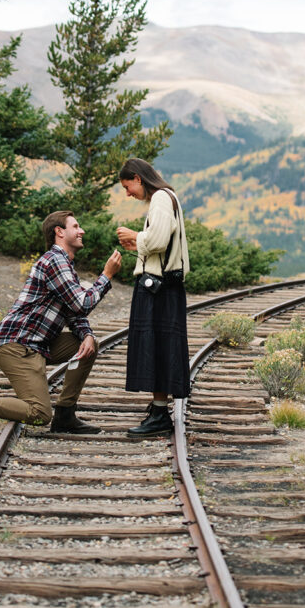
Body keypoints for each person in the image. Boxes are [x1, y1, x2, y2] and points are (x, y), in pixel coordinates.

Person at [0, 210, 122, 440]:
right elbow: (82, 304)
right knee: (39, 413)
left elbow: (75, 314)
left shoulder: (66, 267)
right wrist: (106, 276)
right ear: (59, 232)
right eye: (76, 226)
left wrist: (87, 334)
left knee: (88, 345)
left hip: (38, 345)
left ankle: (65, 415)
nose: (82, 231)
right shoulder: (54, 261)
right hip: (17, 345)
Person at [116, 157, 190, 438]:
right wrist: (139, 241)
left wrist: (136, 236)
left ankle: (160, 415)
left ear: (137, 178)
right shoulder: (166, 197)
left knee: (155, 347)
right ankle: (159, 409)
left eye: (127, 186)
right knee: (160, 348)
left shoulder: (160, 198)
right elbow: (160, 242)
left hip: (157, 288)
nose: (128, 193)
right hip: (164, 286)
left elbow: (157, 241)